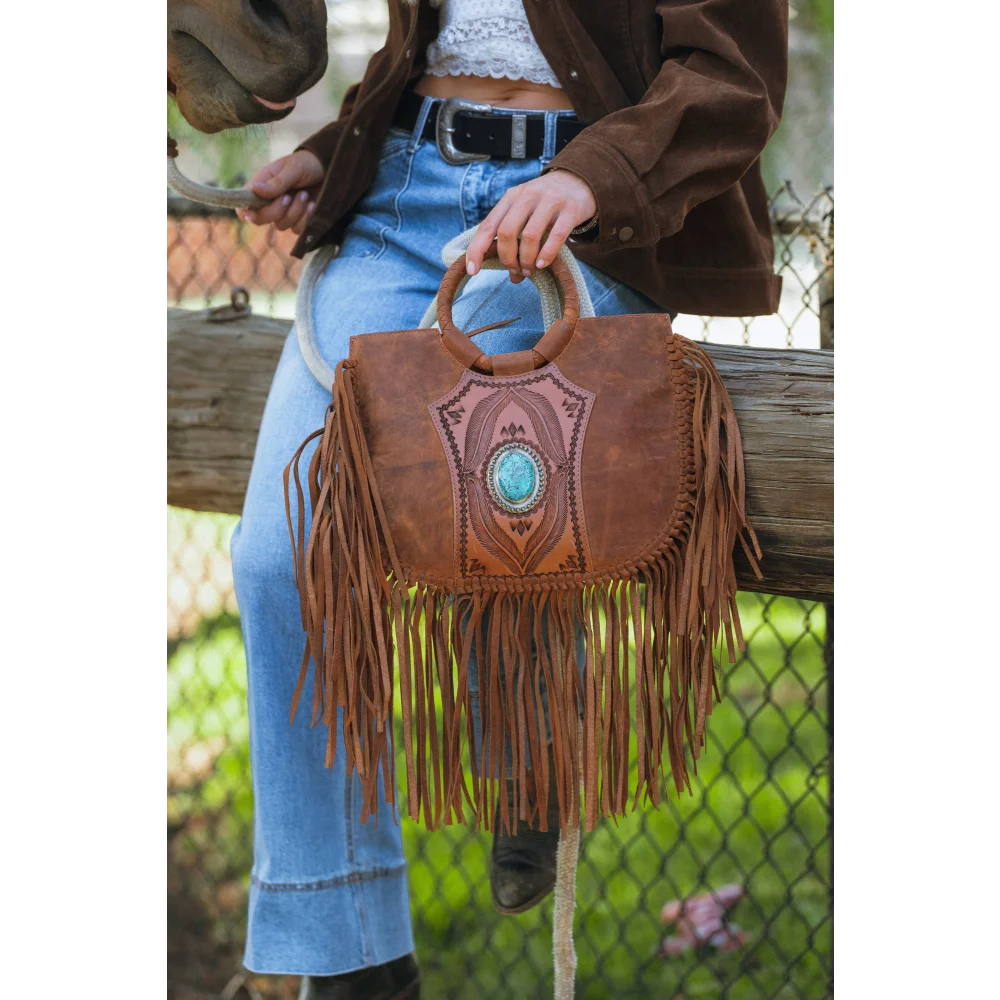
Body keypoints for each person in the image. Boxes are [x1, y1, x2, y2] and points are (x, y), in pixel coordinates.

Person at [230, 1, 787, 997]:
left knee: (486, 438)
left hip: (585, 216)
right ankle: (349, 948)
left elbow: (734, 75)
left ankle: (524, 735)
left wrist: (590, 177)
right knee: (280, 554)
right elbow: (426, 50)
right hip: (402, 199)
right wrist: (335, 151)